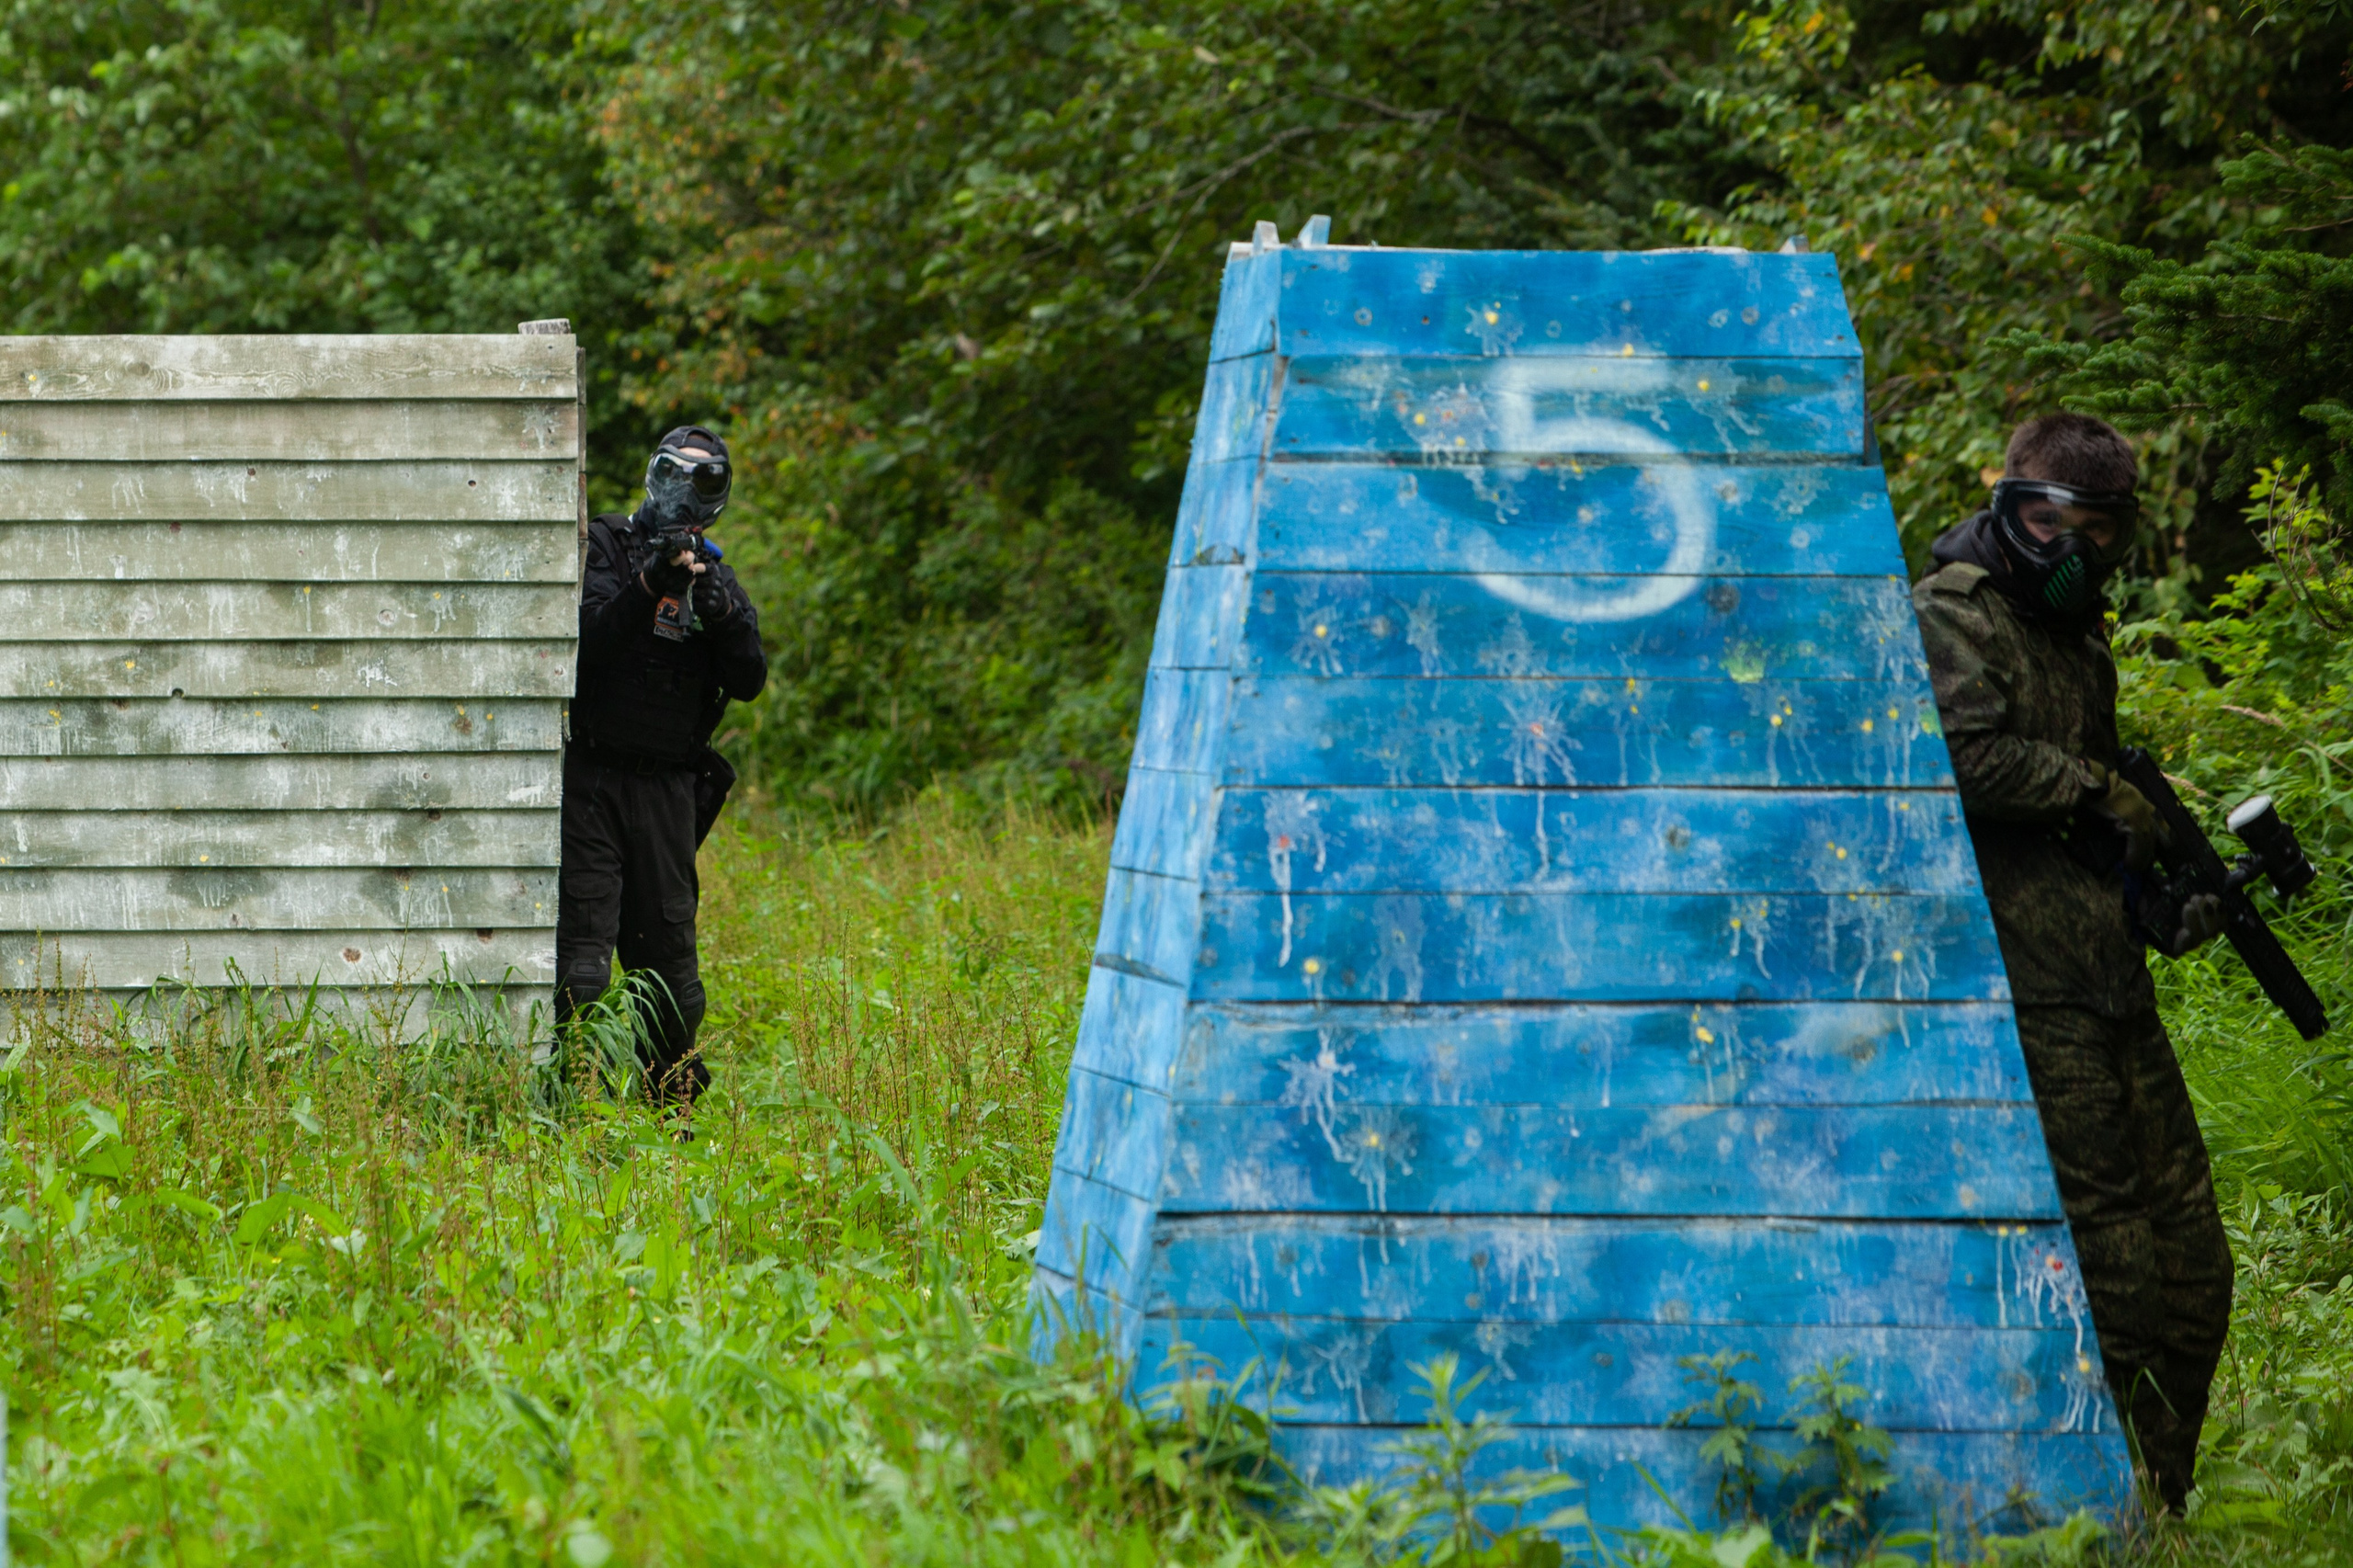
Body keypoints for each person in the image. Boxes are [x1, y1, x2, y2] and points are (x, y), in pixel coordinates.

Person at [1913, 412, 2230, 1511]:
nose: (2077, 554)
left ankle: (2164, 1500)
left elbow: (2086, 837)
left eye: (2101, 534)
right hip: (2024, 993)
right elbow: (1960, 756)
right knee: (2114, 1275)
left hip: (2108, 984)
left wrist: (2158, 901)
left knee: (2193, 1267)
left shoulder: (2078, 639)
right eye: (2054, 524)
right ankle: (2108, 1508)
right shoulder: (1952, 614)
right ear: (2009, 507)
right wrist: (2098, 792)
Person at [556, 426, 767, 1110]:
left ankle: (669, 1121)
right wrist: (650, 584)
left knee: (672, 978)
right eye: (677, 475)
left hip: (668, 793)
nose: (686, 494)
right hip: (594, 783)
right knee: (582, 968)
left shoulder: (714, 574)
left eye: (705, 481)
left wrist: (721, 611)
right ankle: (567, 1112)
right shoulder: (608, 548)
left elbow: (750, 680)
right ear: (655, 476)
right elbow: (583, 647)